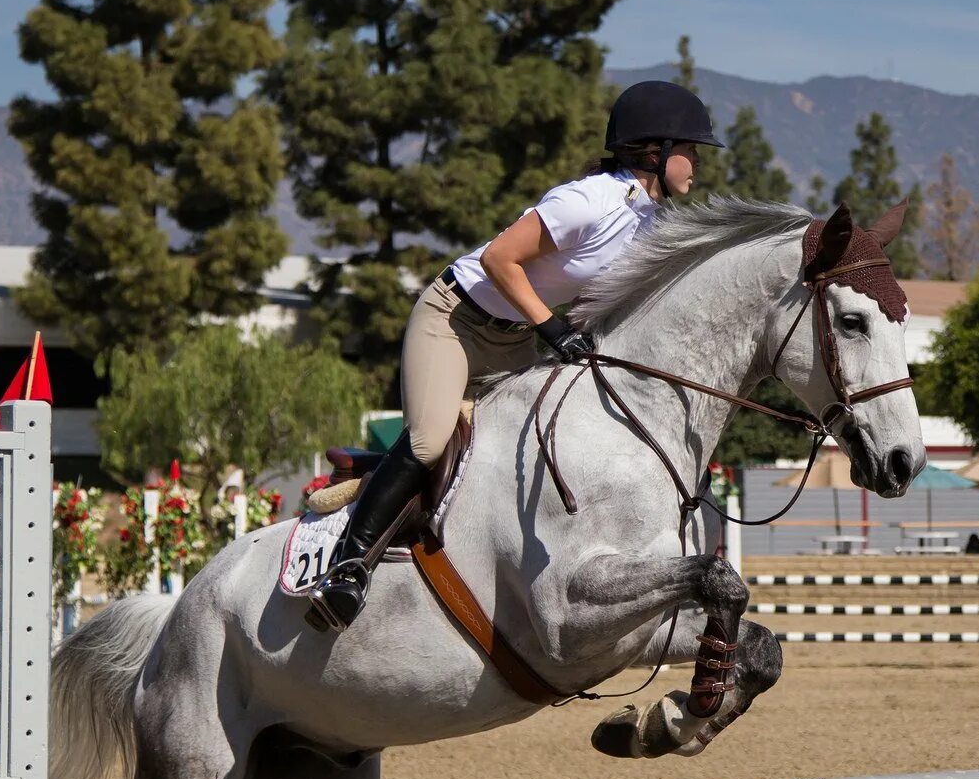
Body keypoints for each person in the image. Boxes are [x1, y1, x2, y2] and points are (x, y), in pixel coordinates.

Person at [309, 81, 724, 629]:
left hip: (512, 336)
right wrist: (550, 327)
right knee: (430, 439)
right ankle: (348, 568)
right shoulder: (588, 200)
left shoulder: (650, 221)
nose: (696, 162)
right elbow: (502, 259)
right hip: (454, 318)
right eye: (690, 150)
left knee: (545, 439)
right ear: (654, 150)